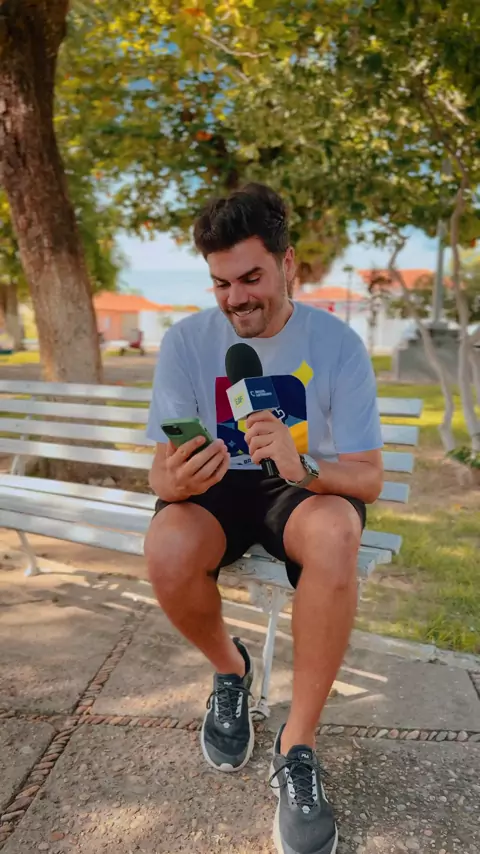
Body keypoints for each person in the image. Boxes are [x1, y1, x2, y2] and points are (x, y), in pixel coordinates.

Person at [144, 183, 384, 854]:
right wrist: (173, 479)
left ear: (288, 264)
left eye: (251, 278)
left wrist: (301, 465)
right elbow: (160, 472)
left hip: (303, 488)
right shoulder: (186, 342)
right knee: (166, 546)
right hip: (219, 487)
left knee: (336, 531)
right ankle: (231, 669)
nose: (236, 299)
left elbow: (367, 478)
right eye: (222, 283)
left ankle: (296, 745)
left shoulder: (338, 345)